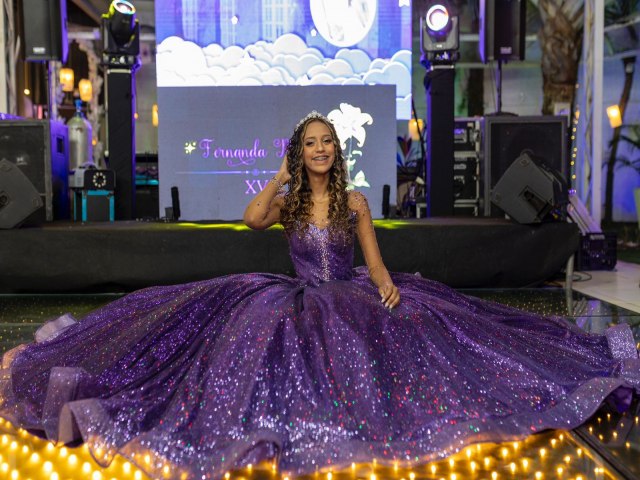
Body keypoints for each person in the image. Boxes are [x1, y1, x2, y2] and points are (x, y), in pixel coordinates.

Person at [0, 111, 638, 480]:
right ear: (299, 153)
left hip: (349, 291)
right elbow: (251, 220)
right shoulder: (286, 201)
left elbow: (375, 261)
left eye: (327, 141)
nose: (321, 150)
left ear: (337, 149)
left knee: (428, 348)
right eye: (310, 143)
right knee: (248, 349)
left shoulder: (354, 201)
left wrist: (387, 290)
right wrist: (277, 175)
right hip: (296, 294)